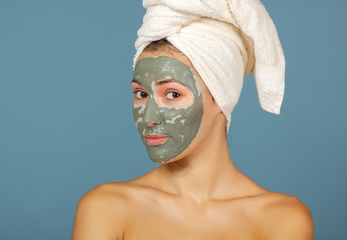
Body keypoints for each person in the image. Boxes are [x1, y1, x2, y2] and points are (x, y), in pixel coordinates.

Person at [72, 1, 314, 239]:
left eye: (173, 94)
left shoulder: (282, 219)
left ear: (221, 97)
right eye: (141, 94)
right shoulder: (105, 208)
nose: (149, 117)